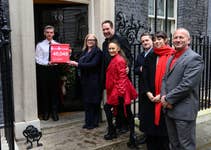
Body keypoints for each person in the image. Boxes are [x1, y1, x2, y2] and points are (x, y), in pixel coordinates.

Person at [161, 28, 204, 150]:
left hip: (183, 111)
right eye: (175, 37)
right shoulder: (171, 57)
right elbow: (165, 79)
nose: (178, 40)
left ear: (188, 40)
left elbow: (187, 85)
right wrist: (164, 97)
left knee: (186, 146)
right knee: (173, 145)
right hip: (169, 110)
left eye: (181, 37)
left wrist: (168, 99)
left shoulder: (194, 58)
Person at [142, 31, 174, 150]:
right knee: (151, 133)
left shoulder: (172, 55)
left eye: (160, 39)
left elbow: (173, 79)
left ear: (166, 40)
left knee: (164, 134)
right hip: (151, 98)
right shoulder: (151, 56)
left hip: (165, 98)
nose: (157, 42)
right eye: (155, 39)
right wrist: (148, 93)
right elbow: (144, 76)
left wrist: (161, 94)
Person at [103, 40, 138, 147]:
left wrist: (120, 95)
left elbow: (122, 78)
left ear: (118, 49)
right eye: (110, 48)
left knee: (117, 110)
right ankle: (128, 134)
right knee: (126, 112)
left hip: (120, 91)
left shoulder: (119, 60)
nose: (111, 50)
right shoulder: (115, 59)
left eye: (113, 48)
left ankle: (115, 132)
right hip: (118, 90)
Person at [101, 20, 133, 133]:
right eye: (103, 29)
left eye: (107, 29)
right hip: (111, 79)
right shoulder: (104, 44)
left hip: (121, 78)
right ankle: (118, 124)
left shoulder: (122, 40)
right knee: (115, 104)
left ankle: (125, 126)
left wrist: (127, 66)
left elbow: (129, 56)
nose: (105, 31)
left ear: (112, 28)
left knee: (122, 104)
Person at [69, 34, 102, 129]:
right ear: (86, 41)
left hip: (93, 81)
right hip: (85, 80)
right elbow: (80, 62)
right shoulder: (84, 51)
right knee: (87, 102)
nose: (90, 41)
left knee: (93, 102)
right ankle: (88, 122)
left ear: (95, 41)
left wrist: (78, 64)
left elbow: (93, 64)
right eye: (88, 39)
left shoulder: (98, 52)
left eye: (92, 40)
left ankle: (93, 123)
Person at [35, 25, 60, 121]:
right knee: (44, 91)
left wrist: (67, 54)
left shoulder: (57, 45)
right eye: (47, 32)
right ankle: (46, 112)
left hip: (55, 70)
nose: (49, 34)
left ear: (53, 33)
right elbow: (37, 59)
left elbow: (60, 57)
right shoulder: (40, 45)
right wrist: (47, 63)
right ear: (44, 33)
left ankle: (54, 112)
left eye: (51, 32)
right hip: (44, 70)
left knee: (54, 91)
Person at [134, 32, 153, 144]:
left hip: (151, 89)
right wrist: (141, 69)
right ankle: (145, 134)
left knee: (150, 113)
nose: (145, 43)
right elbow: (135, 69)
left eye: (147, 40)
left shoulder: (155, 54)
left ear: (151, 41)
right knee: (143, 113)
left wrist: (144, 69)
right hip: (142, 88)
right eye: (143, 41)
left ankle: (150, 135)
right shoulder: (140, 55)